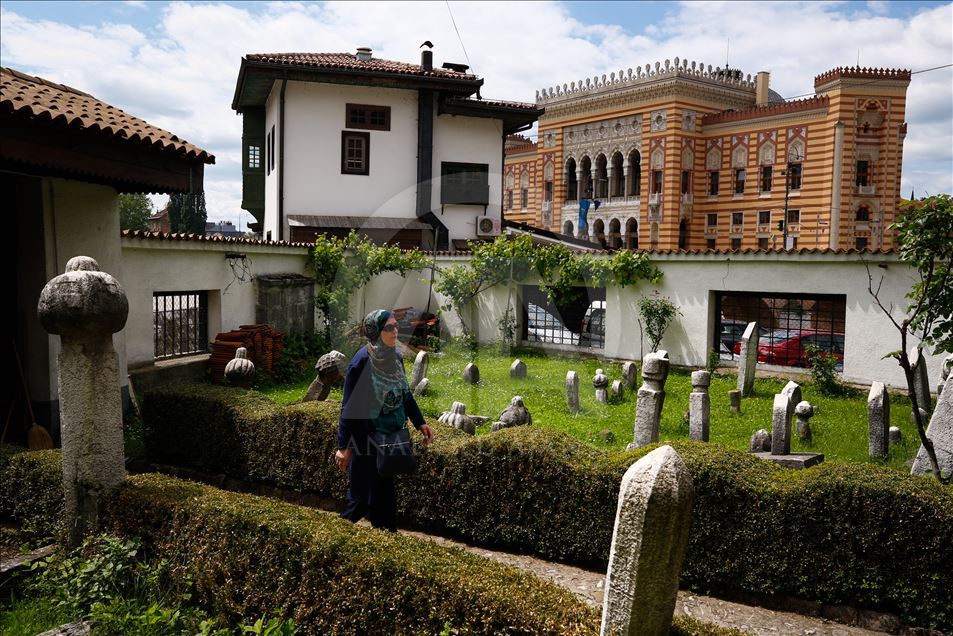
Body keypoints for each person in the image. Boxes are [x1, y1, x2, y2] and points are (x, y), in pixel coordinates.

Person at [334, 309, 434, 531]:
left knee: (385, 501)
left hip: (389, 440)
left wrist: (420, 423)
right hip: (367, 441)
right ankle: (329, 542)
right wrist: (344, 446)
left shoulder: (395, 357)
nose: (395, 331)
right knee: (360, 500)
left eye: (396, 326)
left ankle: (387, 545)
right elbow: (350, 409)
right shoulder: (361, 362)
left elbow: (404, 395)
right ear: (375, 332)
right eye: (389, 327)